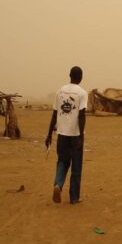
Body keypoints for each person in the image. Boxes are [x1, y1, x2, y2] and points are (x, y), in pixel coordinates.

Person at [45, 66, 88, 204]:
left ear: (69, 75)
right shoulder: (82, 93)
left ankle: (58, 184)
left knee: (62, 161)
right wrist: (81, 135)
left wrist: (49, 134)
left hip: (62, 134)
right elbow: (81, 115)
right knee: (76, 166)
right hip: (75, 135)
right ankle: (74, 197)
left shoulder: (60, 91)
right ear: (80, 77)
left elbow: (54, 113)